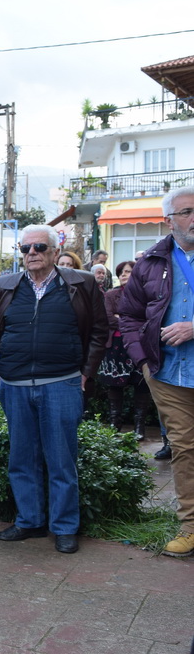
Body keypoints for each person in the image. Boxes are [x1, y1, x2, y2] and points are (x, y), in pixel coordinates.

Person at [0, 225, 106, 554]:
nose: (32, 253)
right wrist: (3, 365)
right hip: (14, 385)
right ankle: (29, 520)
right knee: (21, 458)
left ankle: (65, 526)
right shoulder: (3, 285)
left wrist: (85, 373)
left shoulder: (81, 283)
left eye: (39, 246)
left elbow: (99, 331)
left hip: (62, 383)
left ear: (55, 251)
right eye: (25, 248)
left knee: (61, 459)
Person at [118, 185, 194, 557]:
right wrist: (143, 360)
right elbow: (129, 316)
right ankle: (191, 527)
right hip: (168, 374)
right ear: (169, 220)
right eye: (187, 211)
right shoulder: (150, 262)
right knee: (184, 448)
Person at [97, 261, 152, 439]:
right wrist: (131, 321)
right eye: (121, 272)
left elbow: (148, 319)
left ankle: (139, 427)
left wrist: (122, 318)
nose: (123, 275)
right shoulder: (111, 295)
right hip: (115, 345)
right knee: (114, 385)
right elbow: (107, 317)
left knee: (141, 384)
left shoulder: (145, 295)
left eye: (128, 272)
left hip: (139, 344)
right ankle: (115, 423)